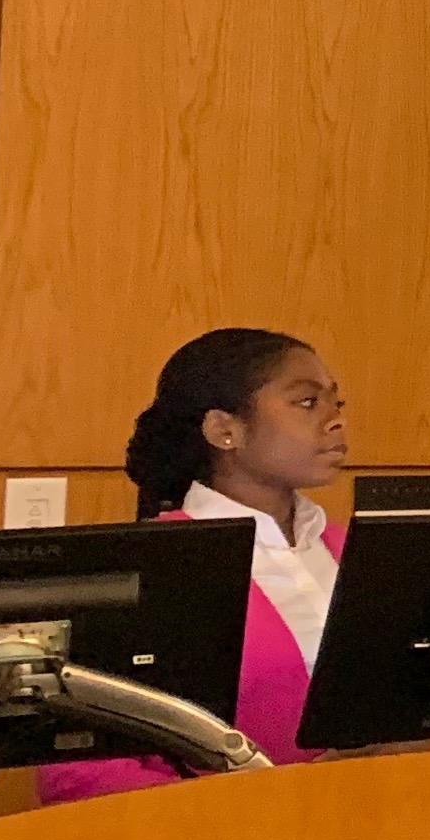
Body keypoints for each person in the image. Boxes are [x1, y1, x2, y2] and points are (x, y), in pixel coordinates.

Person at [38, 328, 351, 803]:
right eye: (307, 403)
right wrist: (265, 800)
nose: (334, 422)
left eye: (336, 404)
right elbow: (75, 774)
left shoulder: (351, 550)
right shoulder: (144, 565)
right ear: (224, 429)